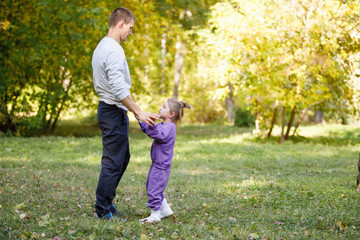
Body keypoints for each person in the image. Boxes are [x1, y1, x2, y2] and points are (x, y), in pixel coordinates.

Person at [92, 7, 159, 220]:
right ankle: (102, 209)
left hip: (111, 110)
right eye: (130, 28)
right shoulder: (113, 49)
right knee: (113, 162)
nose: (131, 32)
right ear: (121, 24)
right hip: (112, 111)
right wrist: (138, 111)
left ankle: (106, 203)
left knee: (122, 158)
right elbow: (119, 89)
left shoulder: (103, 46)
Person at [138, 98, 191, 223]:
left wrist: (150, 122)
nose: (160, 108)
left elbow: (157, 134)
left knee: (154, 189)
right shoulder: (164, 125)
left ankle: (155, 215)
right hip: (157, 163)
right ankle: (165, 210)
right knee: (152, 186)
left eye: (164, 107)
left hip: (161, 166)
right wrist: (141, 120)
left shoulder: (169, 128)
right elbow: (150, 131)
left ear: (171, 114)